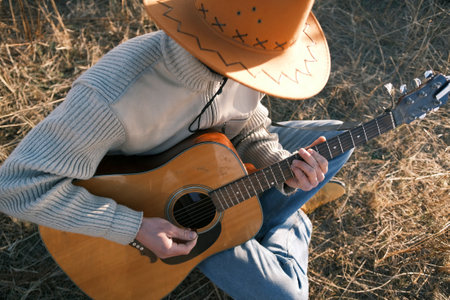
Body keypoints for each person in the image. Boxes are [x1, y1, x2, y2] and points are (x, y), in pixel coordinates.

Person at [0, 0, 353, 298]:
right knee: (286, 295)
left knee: (339, 143)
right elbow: (15, 186)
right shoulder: (112, 96)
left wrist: (280, 166)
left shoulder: (256, 56)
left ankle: (269, 205)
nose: (260, 75)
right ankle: (289, 219)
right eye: (256, 64)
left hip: (219, 166)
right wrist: (132, 226)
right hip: (168, 220)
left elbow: (249, 123)